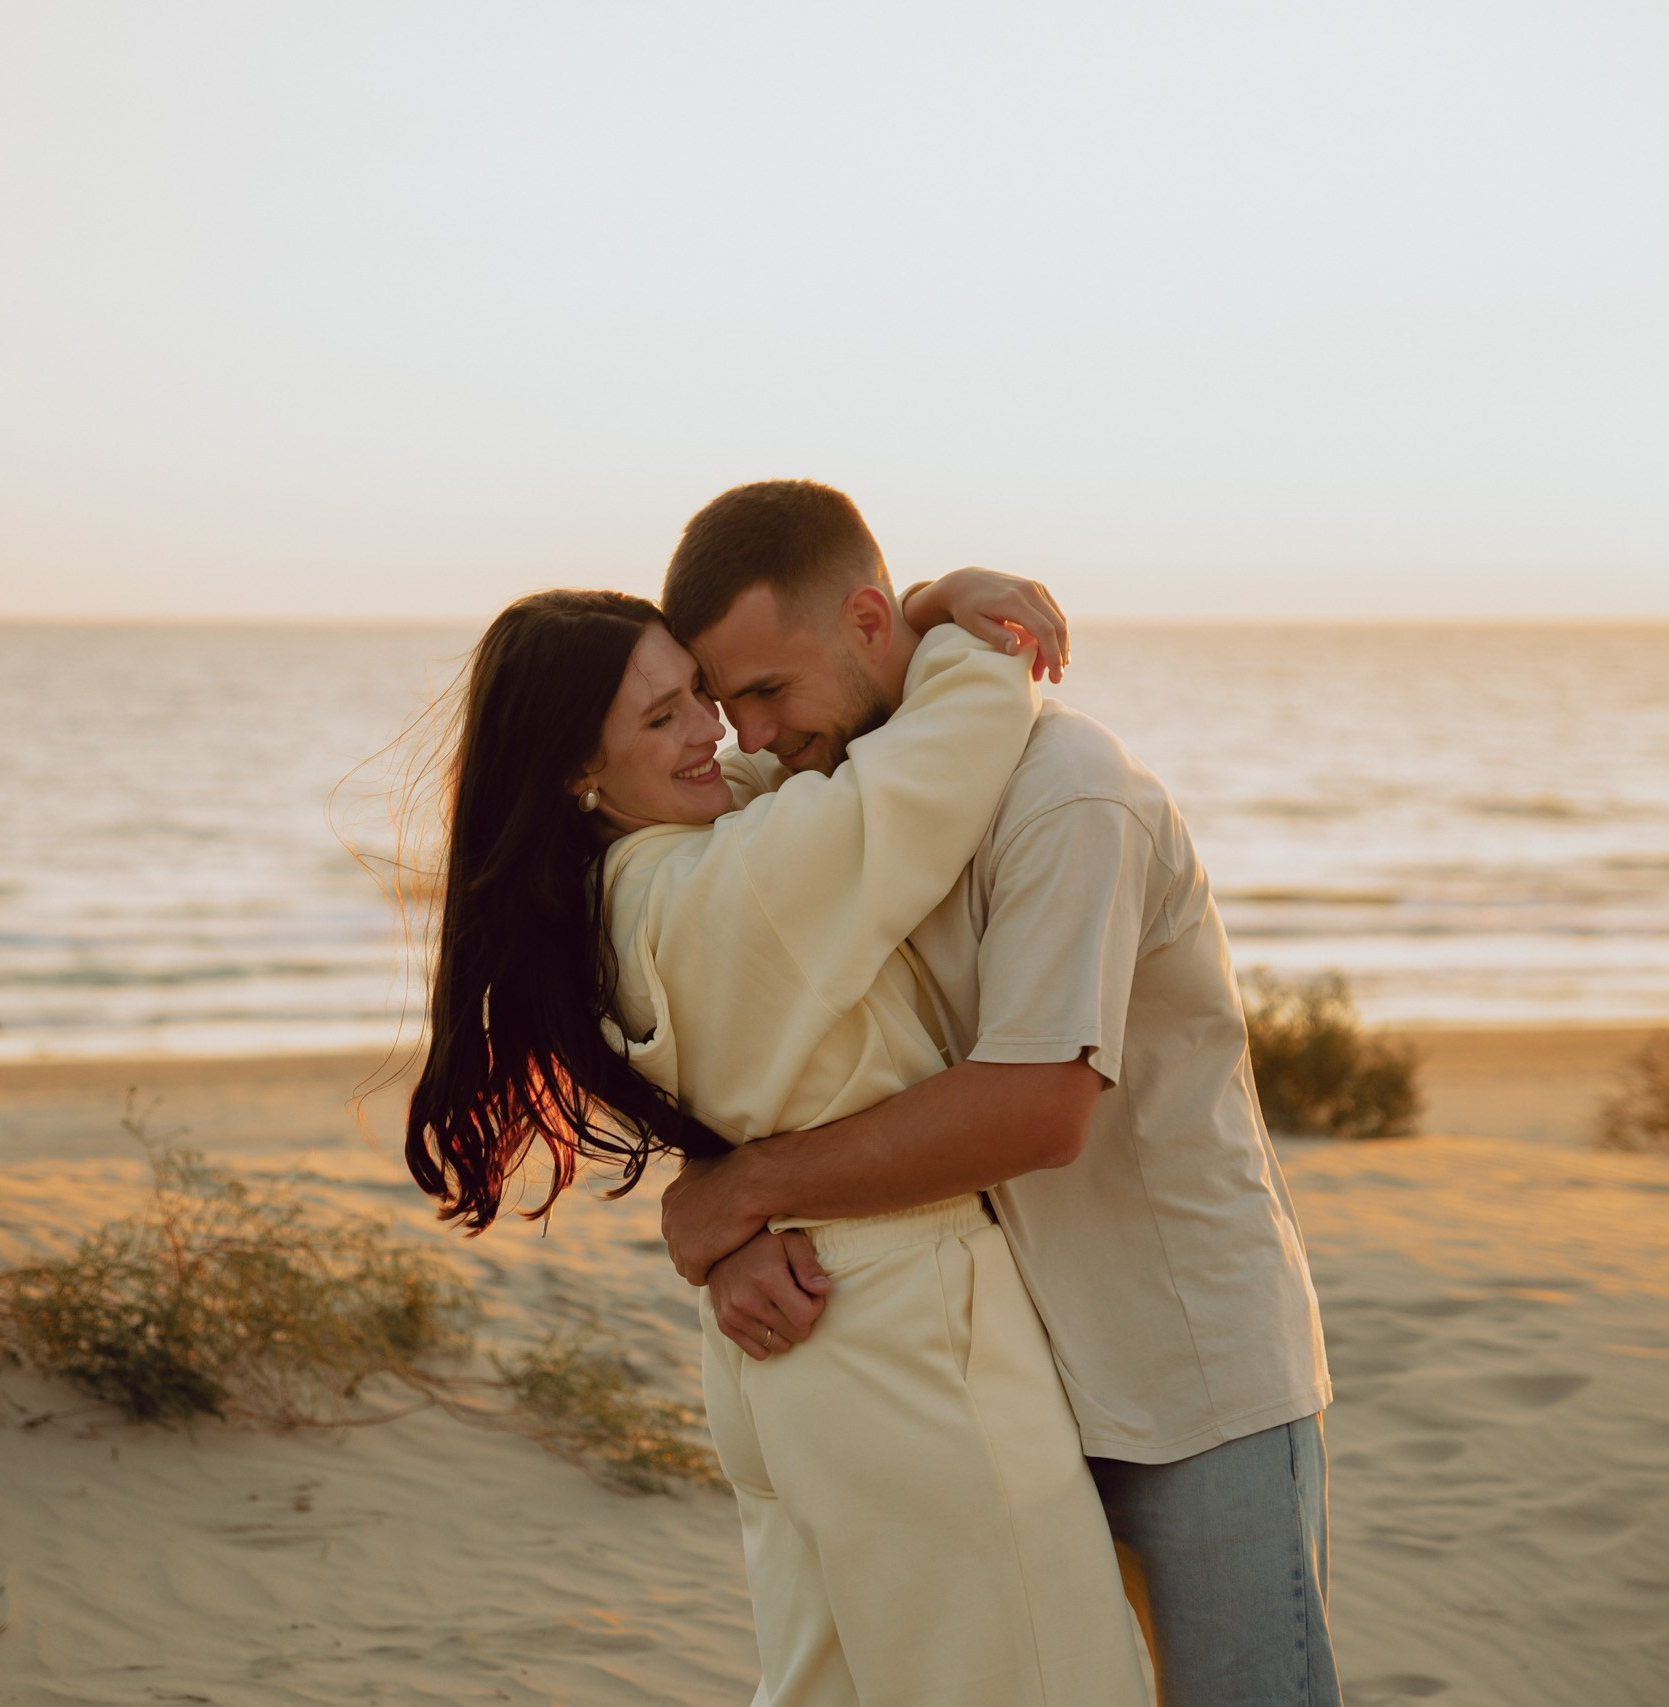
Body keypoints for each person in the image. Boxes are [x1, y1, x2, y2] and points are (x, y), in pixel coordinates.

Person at [402, 578, 1152, 1705]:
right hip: (904, 1330)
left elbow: (770, 778)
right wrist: (948, 620)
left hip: (788, 1359)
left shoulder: (615, 888)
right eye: (662, 717)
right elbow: (947, 749)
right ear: (576, 771)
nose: (713, 731)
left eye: (700, 692)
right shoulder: (730, 884)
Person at [654, 480, 1340, 1707]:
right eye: (723, 700)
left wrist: (746, 1189)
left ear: (866, 623)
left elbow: (1036, 1109)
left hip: (1184, 1382)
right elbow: (713, 964)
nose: (746, 735)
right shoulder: (838, 786)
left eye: (766, 690)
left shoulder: (1066, 793)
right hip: (1012, 1382)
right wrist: (719, 1197)